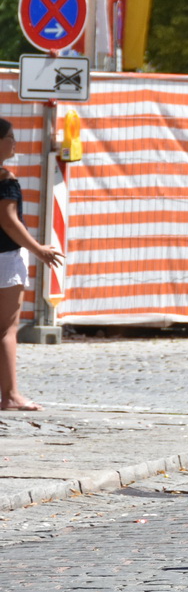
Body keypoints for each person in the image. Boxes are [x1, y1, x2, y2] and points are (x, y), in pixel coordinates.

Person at [0, 118, 66, 411]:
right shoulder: (5, 179)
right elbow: (8, 221)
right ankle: (11, 395)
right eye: (10, 137)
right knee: (6, 330)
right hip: (4, 258)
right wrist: (39, 249)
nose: (15, 143)